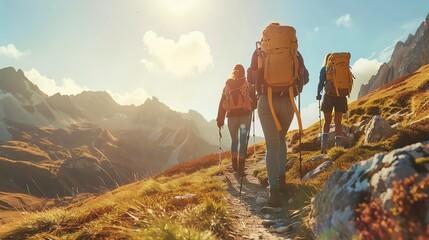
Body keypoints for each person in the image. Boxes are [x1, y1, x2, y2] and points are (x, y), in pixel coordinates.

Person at [248, 22, 308, 207]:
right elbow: (305, 77)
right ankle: (282, 181)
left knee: (271, 146)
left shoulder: (260, 52)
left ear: (266, 36)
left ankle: (273, 191)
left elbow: (251, 78)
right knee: (281, 140)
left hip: (267, 101)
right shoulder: (294, 51)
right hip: (288, 101)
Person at [216, 64, 253, 176]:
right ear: (243, 72)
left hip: (231, 117)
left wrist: (220, 119)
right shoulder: (247, 84)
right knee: (242, 141)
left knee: (234, 141)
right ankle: (241, 168)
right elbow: (254, 102)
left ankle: (234, 167)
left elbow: (222, 103)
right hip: (244, 117)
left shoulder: (227, 85)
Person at [317, 54, 348, 153]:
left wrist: (318, 93)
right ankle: (337, 146)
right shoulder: (344, 67)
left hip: (329, 96)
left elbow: (321, 83)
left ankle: (324, 146)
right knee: (338, 122)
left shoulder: (325, 69)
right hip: (341, 96)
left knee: (327, 121)